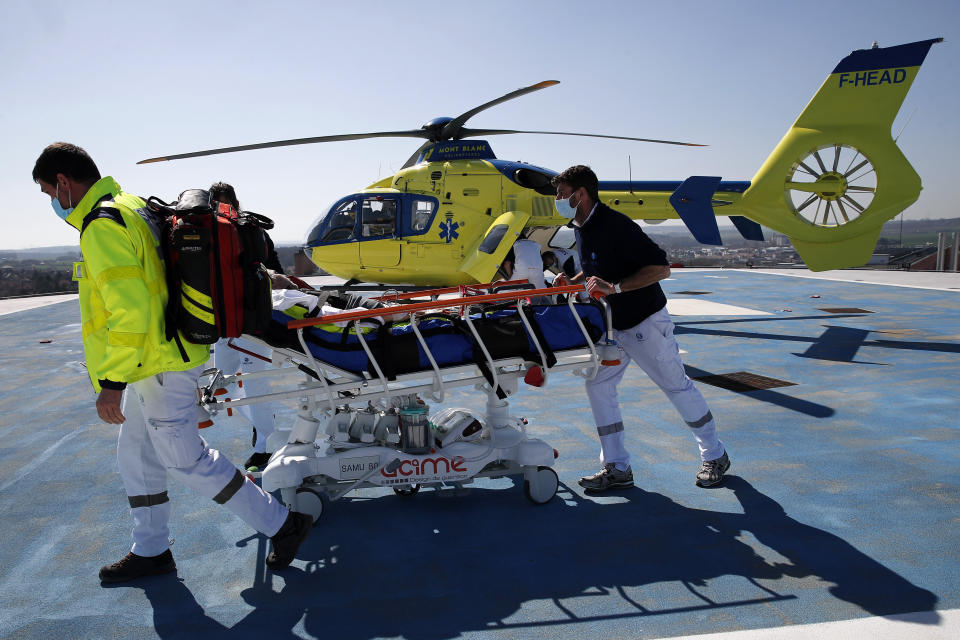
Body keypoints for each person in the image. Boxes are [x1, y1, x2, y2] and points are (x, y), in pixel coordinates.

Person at [32, 143, 311, 582]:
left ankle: (283, 524)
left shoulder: (100, 225)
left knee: (186, 459)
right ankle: (151, 550)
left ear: (64, 182)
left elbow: (131, 309)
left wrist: (111, 381)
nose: (51, 200)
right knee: (136, 455)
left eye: (48, 190)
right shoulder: (132, 206)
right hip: (158, 358)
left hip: (157, 362)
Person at [550, 165, 730, 491]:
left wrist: (615, 288)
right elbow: (597, 269)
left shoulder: (616, 225)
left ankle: (715, 455)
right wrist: (573, 280)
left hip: (645, 322)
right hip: (614, 329)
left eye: (562, 194)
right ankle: (617, 467)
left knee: (676, 387)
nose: (557, 199)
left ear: (581, 194)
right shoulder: (581, 226)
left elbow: (661, 268)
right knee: (598, 387)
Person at [208, 182, 286, 471]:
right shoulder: (213, 236)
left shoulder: (254, 234)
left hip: (252, 326)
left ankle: (263, 446)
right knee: (221, 387)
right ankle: (263, 421)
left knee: (256, 386)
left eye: (225, 203)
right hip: (226, 325)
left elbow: (275, 268)